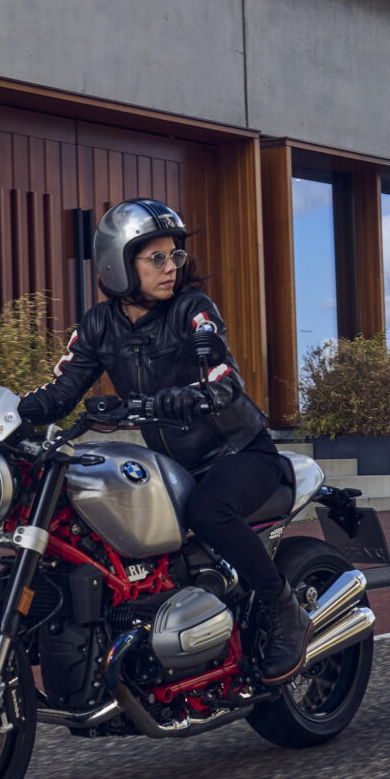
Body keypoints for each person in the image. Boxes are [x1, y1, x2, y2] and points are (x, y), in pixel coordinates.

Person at [16, 199, 312, 684]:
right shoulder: (98, 324)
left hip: (240, 453)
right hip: (173, 467)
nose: (171, 267)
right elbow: (60, 393)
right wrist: (7, 413)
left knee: (209, 511)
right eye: (157, 257)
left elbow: (223, 378)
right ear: (118, 263)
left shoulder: (194, 310)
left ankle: (284, 610)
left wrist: (186, 396)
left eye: (175, 255)